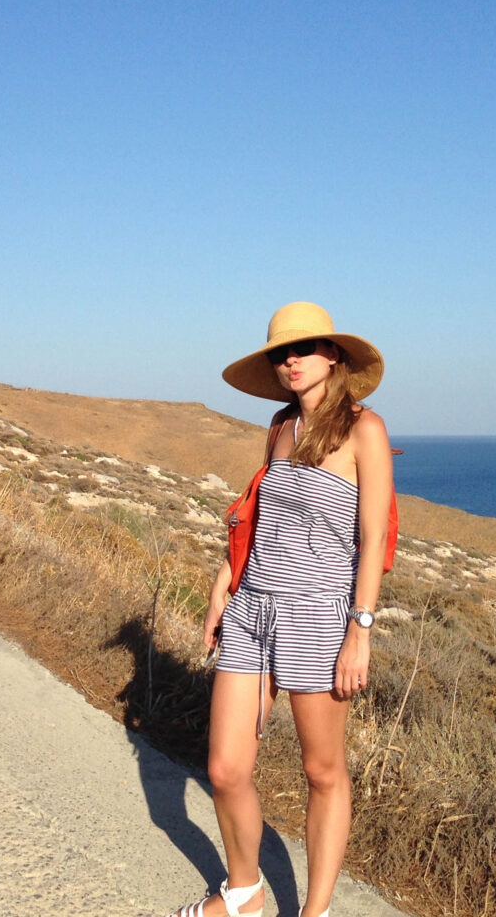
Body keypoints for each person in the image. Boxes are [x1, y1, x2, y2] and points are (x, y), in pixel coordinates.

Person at [166, 302, 393, 917]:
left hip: (318, 618)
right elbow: (261, 514)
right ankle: (243, 893)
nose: (289, 360)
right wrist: (224, 581)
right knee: (225, 767)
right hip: (252, 608)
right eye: (280, 353)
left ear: (333, 356)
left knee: (322, 771)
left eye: (303, 349)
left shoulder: (363, 431)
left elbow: (374, 539)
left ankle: (314, 912)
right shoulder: (279, 426)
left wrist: (360, 631)